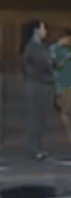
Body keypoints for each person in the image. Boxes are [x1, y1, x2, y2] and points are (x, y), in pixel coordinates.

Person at [20, 20, 56, 161]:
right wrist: (52, 61)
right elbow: (47, 63)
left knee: (40, 119)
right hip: (37, 85)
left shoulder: (40, 46)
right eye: (42, 28)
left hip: (43, 84)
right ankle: (34, 148)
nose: (45, 31)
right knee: (36, 118)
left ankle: (38, 147)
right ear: (36, 30)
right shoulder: (33, 47)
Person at [51, 30, 71, 146]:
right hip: (62, 84)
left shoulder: (68, 49)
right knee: (66, 111)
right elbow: (54, 63)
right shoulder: (54, 48)